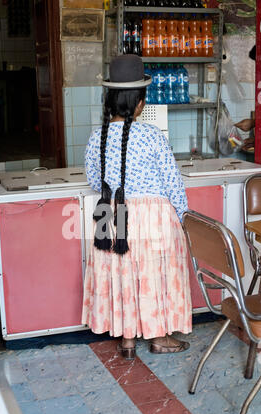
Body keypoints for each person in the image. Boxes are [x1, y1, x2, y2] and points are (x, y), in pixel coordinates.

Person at [82, 55, 192, 359]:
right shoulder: (153, 136)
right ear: (140, 103)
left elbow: (95, 180)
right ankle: (159, 338)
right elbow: (172, 183)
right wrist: (183, 217)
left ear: (109, 100)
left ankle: (127, 340)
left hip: (110, 212)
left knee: (120, 273)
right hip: (151, 215)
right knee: (154, 274)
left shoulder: (97, 137)